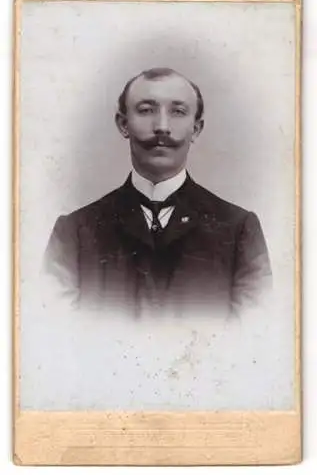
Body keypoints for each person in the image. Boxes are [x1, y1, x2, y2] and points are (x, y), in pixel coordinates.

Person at [43, 67, 272, 317]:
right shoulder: (74, 234)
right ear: (123, 124)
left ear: (196, 129)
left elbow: (253, 338)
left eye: (178, 112)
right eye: (146, 110)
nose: (162, 126)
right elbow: (56, 336)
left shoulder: (239, 230)